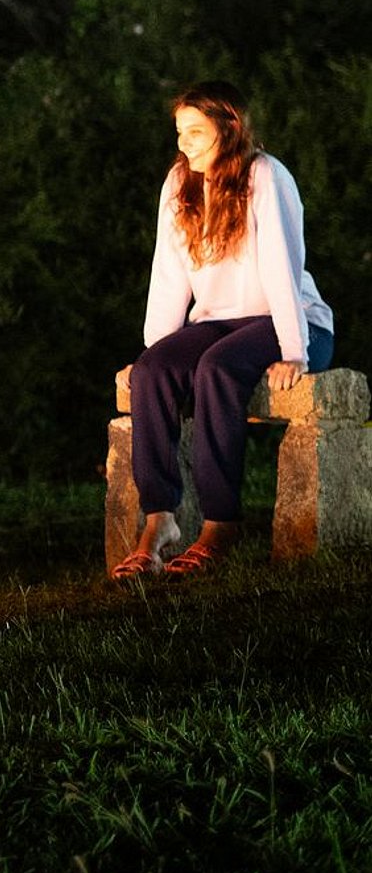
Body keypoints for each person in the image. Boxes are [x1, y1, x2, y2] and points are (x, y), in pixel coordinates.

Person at [113, 83, 337, 581]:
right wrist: (153, 353)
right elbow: (168, 276)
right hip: (220, 323)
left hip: (293, 320)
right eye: (179, 133)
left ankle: (221, 523)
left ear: (229, 127)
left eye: (195, 132)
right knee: (151, 373)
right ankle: (160, 520)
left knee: (216, 369)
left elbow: (281, 265)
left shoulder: (265, 175)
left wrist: (294, 351)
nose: (183, 144)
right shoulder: (179, 183)